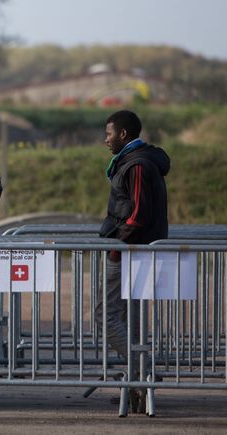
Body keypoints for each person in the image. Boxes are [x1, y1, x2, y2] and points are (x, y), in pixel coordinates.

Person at [97, 110, 170, 413]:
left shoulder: (137, 164)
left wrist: (118, 247)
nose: (106, 140)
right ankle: (139, 388)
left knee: (105, 315)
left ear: (123, 134)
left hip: (130, 252)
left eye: (109, 134)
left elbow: (138, 215)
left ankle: (146, 371)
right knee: (131, 322)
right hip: (132, 251)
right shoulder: (133, 161)